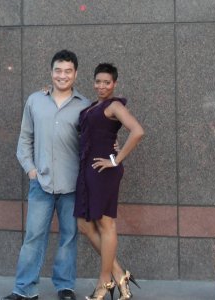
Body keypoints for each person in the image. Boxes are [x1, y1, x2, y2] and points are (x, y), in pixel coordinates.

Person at [3, 50, 91, 300]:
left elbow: (94, 142)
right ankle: (24, 289)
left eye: (68, 71)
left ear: (76, 73)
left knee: (69, 237)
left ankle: (65, 287)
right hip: (40, 183)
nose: (62, 75)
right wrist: (30, 169)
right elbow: (25, 138)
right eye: (58, 70)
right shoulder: (35, 101)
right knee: (33, 237)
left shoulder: (84, 106)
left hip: (72, 185)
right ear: (51, 72)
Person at [74, 63, 144, 300]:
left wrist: (116, 160)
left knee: (106, 225)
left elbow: (137, 131)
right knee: (84, 225)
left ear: (114, 84)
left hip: (104, 171)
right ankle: (119, 274)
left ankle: (104, 282)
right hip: (88, 170)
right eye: (98, 81)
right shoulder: (94, 106)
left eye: (106, 82)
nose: (101, 86)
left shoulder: (114, 105)